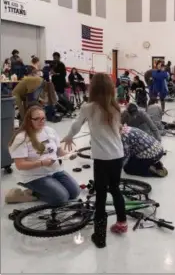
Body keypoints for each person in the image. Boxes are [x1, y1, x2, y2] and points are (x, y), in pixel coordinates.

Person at [63, 73, 127, 248]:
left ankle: (100, 237)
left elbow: (77, 124)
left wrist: (69, 137)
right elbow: (118, 128)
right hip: (118, 154)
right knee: (115, 189)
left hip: (102, 157)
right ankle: (122, 222)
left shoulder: (88, 107)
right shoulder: (115, 106)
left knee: (100, 194)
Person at [8, 105, 80, 205]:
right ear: (29, 120)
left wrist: (69, 154)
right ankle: (30, 192)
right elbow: (20, 165)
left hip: (55, 171)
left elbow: (58, 151)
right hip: (35, 176)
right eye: (37, 119)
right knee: (61, 198)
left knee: (75, 192)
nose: (41, 121)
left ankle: (50, 187)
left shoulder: (50, 131)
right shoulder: (22, 138)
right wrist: (41, 163)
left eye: (43, 118)